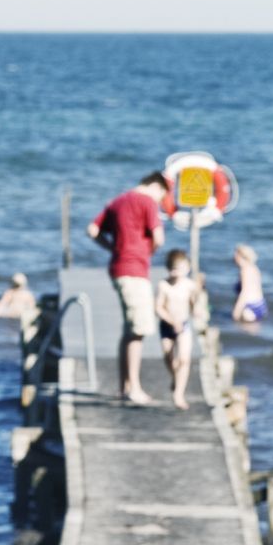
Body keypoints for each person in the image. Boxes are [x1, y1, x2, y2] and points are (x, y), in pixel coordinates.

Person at [87, 172, 168, 404]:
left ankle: (124, 387)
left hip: (117, 267)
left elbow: (92, 230)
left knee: (129, 329)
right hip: (134, 270)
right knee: (138, 329)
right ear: (156, 186)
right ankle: (134, 388)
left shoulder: (117, 201)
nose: (160, 202)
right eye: (162, 197)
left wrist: (113, 248)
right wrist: (147, 252)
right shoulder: (147, 201)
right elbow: (159, 237)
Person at [154, 249, 197, 410]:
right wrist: (171, 321)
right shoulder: (164, 286)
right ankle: (175, 378)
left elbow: (193, 302)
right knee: (168, 357)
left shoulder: (190, 285)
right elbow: (158, 308)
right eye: (173, 268)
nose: (176, 272)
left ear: (187, 268)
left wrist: (197, 309)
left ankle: (178, 395)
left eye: (179, 268)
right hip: (167, 325)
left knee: (184, 359)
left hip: (183, 325)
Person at [232, 243, 268, 326]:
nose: (234, 257)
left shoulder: (244, 270)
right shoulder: (254, 267)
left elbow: (245, 292)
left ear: (240, 255)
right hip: (260, 304)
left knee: (245, 332)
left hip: (250, 308)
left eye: (236, 254)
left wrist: (237, 310)